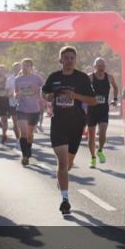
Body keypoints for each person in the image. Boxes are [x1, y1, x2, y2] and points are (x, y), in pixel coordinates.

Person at [42, 46, 96, 215]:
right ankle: (65, 200)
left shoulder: (82, 78)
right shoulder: (54, 77)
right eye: (66, 57)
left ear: (75, 60)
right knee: (63, 163)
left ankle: (62, 177)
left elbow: (93, 101)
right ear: (61, 60)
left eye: (72, 57)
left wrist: (76, 97)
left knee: (68, 164)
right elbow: (44, 93)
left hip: (76, 124)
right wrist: (48, 97)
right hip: (58, 124)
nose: (69, 60)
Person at [86, 57, 119, 168]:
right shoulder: (90, 77)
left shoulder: (109, 77)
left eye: (103, 65)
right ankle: (93, 158)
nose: (101, 67)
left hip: (103, 109)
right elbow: (82, 89)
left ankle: (100, 150)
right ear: (95, 66)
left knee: (103, 134)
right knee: (91, 136)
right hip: (92, 109)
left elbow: (115, 87)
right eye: (99, 65)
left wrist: (115, 99)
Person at [14, 58, 44, 166]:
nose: (25, 67)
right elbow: (16, 93)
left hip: (34, 109)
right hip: (21, 108)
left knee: (30, 134)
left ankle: (29, 149)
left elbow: (42, 89)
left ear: (31, 67)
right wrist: (17, 95)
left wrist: (40, 94)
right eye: (23, 65)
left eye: (27, 65)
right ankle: (25, 155)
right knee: (24, 132)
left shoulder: (37, 78)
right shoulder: (17, 79)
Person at [6, 61, 21, 143]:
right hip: (13, 103)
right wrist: (11, 94)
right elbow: (7, 93)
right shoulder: (10, 79)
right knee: (16, 123)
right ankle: (18, 140)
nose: (17, 69)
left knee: (24, 123)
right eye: (15, 68)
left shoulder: (25, 78)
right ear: (13, 69)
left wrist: (21, 92)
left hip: (25, 104)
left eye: (19, 67)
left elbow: (30, 90)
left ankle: (23, 139)